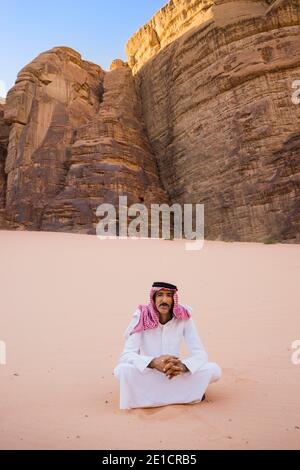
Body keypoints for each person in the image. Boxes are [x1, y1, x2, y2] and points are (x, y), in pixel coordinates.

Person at [113, 281, 221, 409]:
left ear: (173, 299)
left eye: (169, 295)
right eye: (160, 295)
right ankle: (187, 394)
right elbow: (126, 355)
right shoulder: (142, 316)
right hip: (150, 372)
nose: (164, 299)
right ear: (153, 298)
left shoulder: (184, 316)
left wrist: (183, 366)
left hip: (174, 374)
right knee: (121, 370)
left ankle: (150, 397)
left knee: (214, 370)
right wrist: (153, 362)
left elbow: (200, 354)